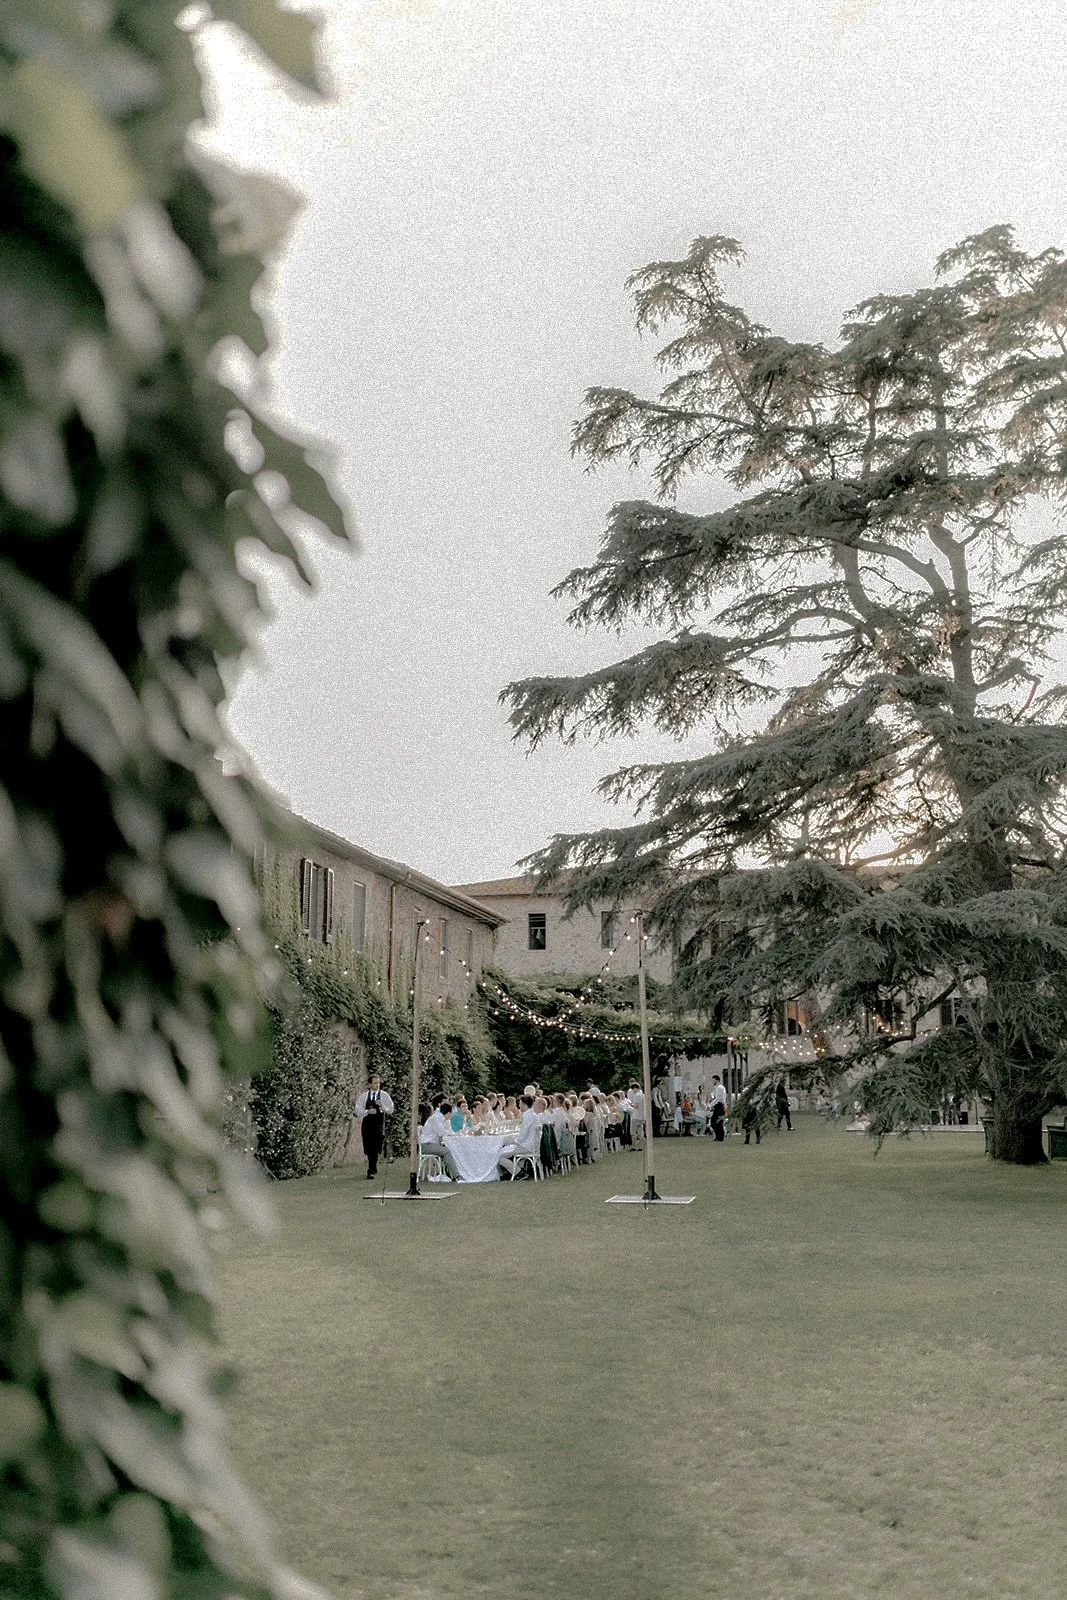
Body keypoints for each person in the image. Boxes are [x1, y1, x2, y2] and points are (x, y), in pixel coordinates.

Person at [353, 1073, 394, 1179]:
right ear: (370, 1084)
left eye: (378, 1083)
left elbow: (391, 1110)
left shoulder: (384, 1096)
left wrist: (382, 1106)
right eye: (375, 1083)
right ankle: (372, 1167)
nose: (377, 1085)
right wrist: (367, 1111)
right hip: (367, 1123)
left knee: (375, 1145)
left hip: (378, 1123)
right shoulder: (364, 1096)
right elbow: (357, 1110)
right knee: (368, 1146)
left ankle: (371, 1169)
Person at [498, 1094, 540, 1178]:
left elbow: (523, 1135)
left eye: (520, 1103)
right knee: (505, 1149)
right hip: (531, 1145)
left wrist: (512, 1141)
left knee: (498, 1155)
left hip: (526, 1146)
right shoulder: (533, 1115)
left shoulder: (528, 1116)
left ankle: (518, 1172)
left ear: (524, 1105)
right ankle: (514, 1171)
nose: (519, 1105)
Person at [419, 1100, 460, 1181]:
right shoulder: (436, 1119)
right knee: (446, 1151)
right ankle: (457, 1175)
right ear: (448, 1113)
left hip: (431, 1144)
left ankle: (451, 1173)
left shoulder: (440, 1119)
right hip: (426, 1145)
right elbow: (442, 1133)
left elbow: (446, 1131)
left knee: (448, 1150)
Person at [709, 1075, 727, 1142]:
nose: (713, 1081)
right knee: (714, 1122)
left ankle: (720, 1137)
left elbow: (718, 1099)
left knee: (718, 1122)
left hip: (719, 1105)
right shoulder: (716, 1088)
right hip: (718, 1105)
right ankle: (718, 1136)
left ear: (717, 1080)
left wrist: (710, 1105)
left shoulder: (719, 1087)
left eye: (714, 1080)